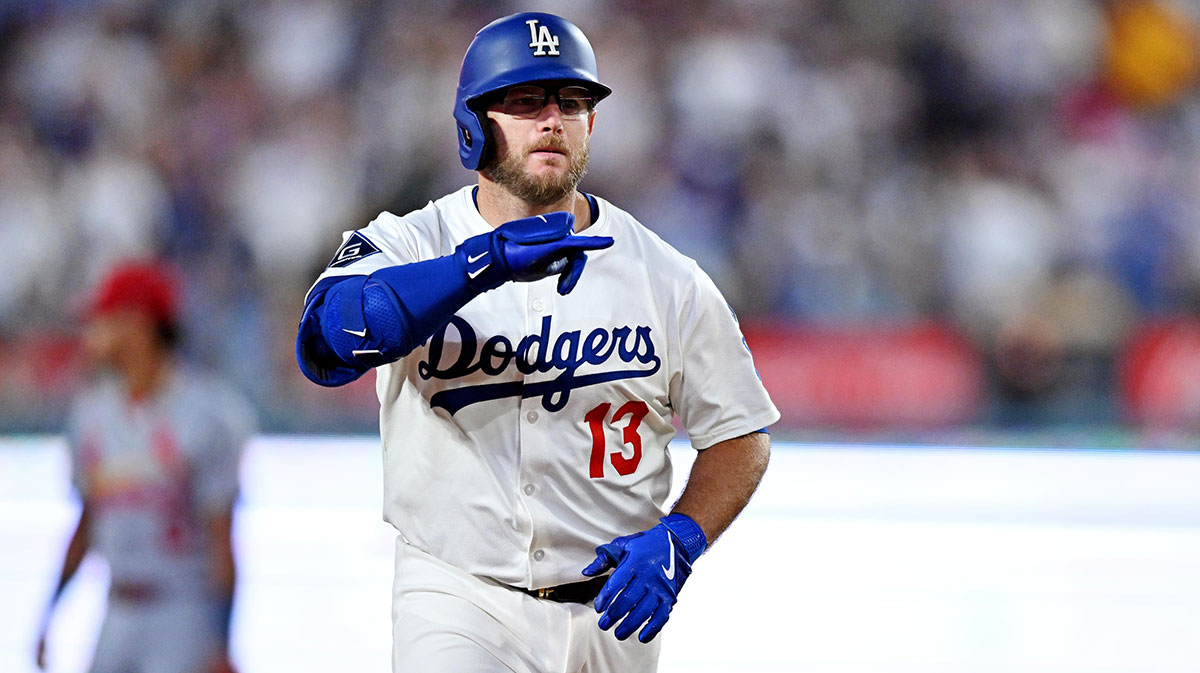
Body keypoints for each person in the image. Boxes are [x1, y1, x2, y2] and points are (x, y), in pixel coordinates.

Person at [295, 12, 778, 673]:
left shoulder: (665, 276)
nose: (552, 118)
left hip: (612, 608)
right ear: (474, 125)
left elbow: (741, 431)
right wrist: (479, 263)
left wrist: (681, 537)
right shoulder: (413, 241)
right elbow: (331, 334)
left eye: (571, 101)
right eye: (525, 101)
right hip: (458, 594)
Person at [37, 261, 253, 673]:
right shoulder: (91, 414)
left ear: (138, 323)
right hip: (116, 604)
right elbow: (85, 525)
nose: (93, 332)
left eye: (106, 318)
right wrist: (48, 615)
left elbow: (221, 539)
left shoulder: (207, 414)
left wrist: (223, 642)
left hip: (181, 609)